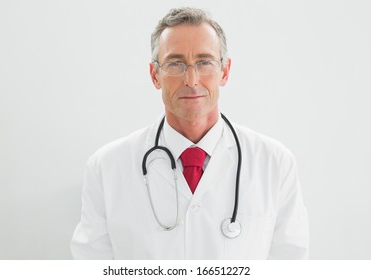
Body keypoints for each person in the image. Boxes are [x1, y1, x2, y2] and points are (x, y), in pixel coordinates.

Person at [71, 7, 309, 259]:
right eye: (175, 64)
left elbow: (290, 264)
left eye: (204, 62)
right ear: (155, 75)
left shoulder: (274, 162)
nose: (192, 79)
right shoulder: (107, 166)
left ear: (225, 71)